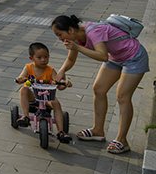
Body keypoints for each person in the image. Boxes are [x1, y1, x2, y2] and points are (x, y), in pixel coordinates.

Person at [52, 14, 150, 154]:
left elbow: (102, 56)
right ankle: (98, 130)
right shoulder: (76, 39)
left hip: (133, 57)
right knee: (98, 89)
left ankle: (122, 140)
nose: (60, 39)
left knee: (122, 96)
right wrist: (61, 72)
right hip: (115, 57)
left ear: (71, 30)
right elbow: (71, 60)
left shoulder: (93, 31)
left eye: (59, 34)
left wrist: (78, 48)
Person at [14, 42, 72, 143]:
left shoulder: (51, 71)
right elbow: (21, 78)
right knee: (23, 89)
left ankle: (60, 131)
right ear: (31, 58)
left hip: (47, 97)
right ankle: (26, 116)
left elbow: (59, 86)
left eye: (46, 57)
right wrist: (21, 79)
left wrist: (65, 84)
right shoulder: (28, 68)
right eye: (39, 57)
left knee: (56, 104)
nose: (43, 60)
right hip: (33, 95)